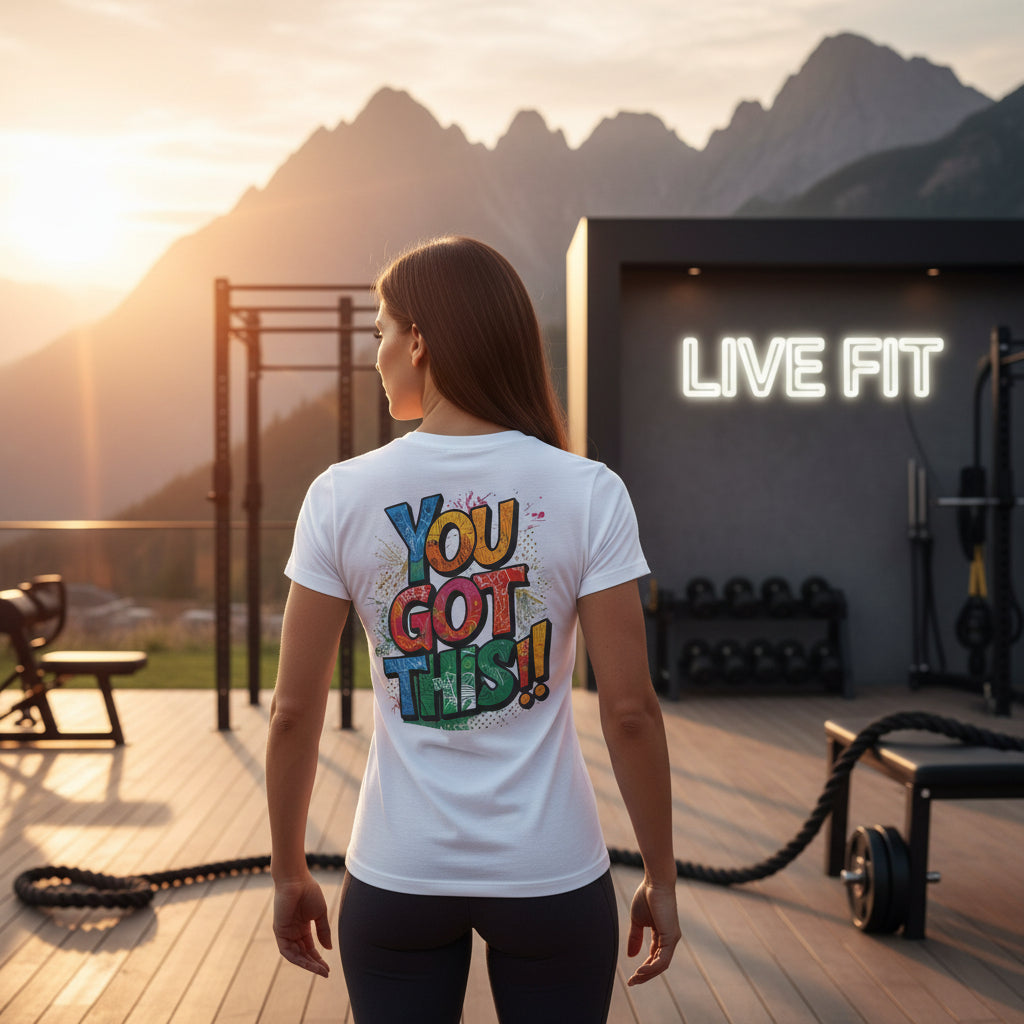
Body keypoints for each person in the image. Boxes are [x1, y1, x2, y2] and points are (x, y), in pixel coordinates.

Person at [265, 236, 680, 1023]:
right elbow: (630, 712)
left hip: (398, 871)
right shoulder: (588, 490)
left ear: (419, 340)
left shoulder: (340, 495)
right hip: (552, 872)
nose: (376, 353)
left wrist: (289, 869)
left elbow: (293, 711)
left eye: (382, 331)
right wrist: (659, 877)